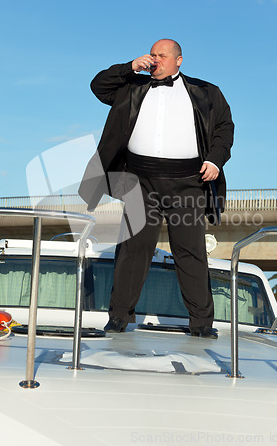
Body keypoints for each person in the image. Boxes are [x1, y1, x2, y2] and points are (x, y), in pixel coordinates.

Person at [79, 39, 234, 338]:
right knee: (133, 249)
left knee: (190, 251)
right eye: (152, 54)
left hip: (189, 182)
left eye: (161, 55)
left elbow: (224, 128)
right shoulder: (131, 86)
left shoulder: (207, 92)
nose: (155, 59)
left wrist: (216, 159)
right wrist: (129, 67)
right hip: (140, 182)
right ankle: (119, 318)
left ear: (179, 61)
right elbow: (98, 86)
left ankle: (202, 324)